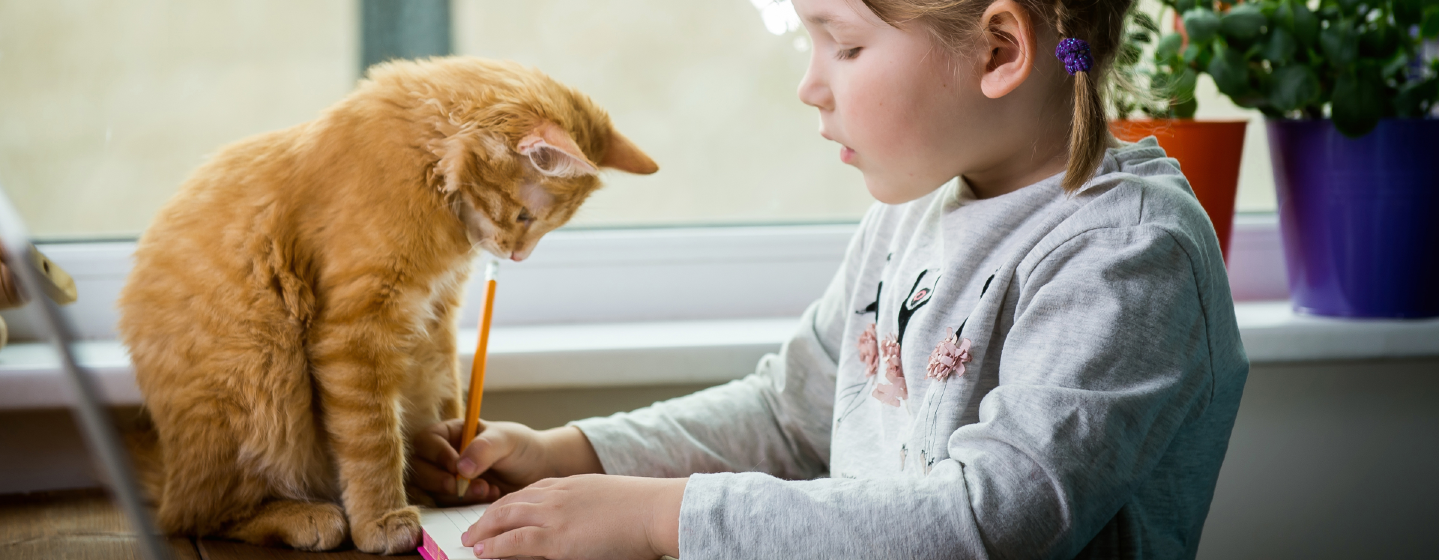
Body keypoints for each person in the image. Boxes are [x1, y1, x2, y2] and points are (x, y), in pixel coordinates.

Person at [410, 0, 1249, 557]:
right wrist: (571, 453)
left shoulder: (1127, 255)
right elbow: (792, 413)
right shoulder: (916, 206)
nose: (810, 86)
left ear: (998, 50)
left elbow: (996, 520)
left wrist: (661, 518)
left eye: (844, 44)